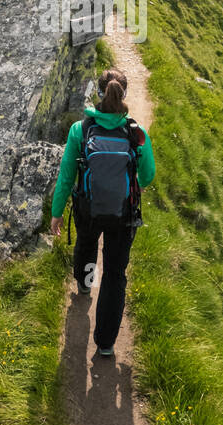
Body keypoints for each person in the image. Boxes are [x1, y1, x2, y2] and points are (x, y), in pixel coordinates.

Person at [50, 68, 155, 356]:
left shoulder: (80, 130)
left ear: (98, 94)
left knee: (86, 243)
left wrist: (57, 212)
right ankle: (106, 343)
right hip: (123, 213)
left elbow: (66, 176)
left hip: (88, 207)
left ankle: (84, 285)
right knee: (115, 274)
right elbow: (147, 175)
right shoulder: (136, 132)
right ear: (125, 95)